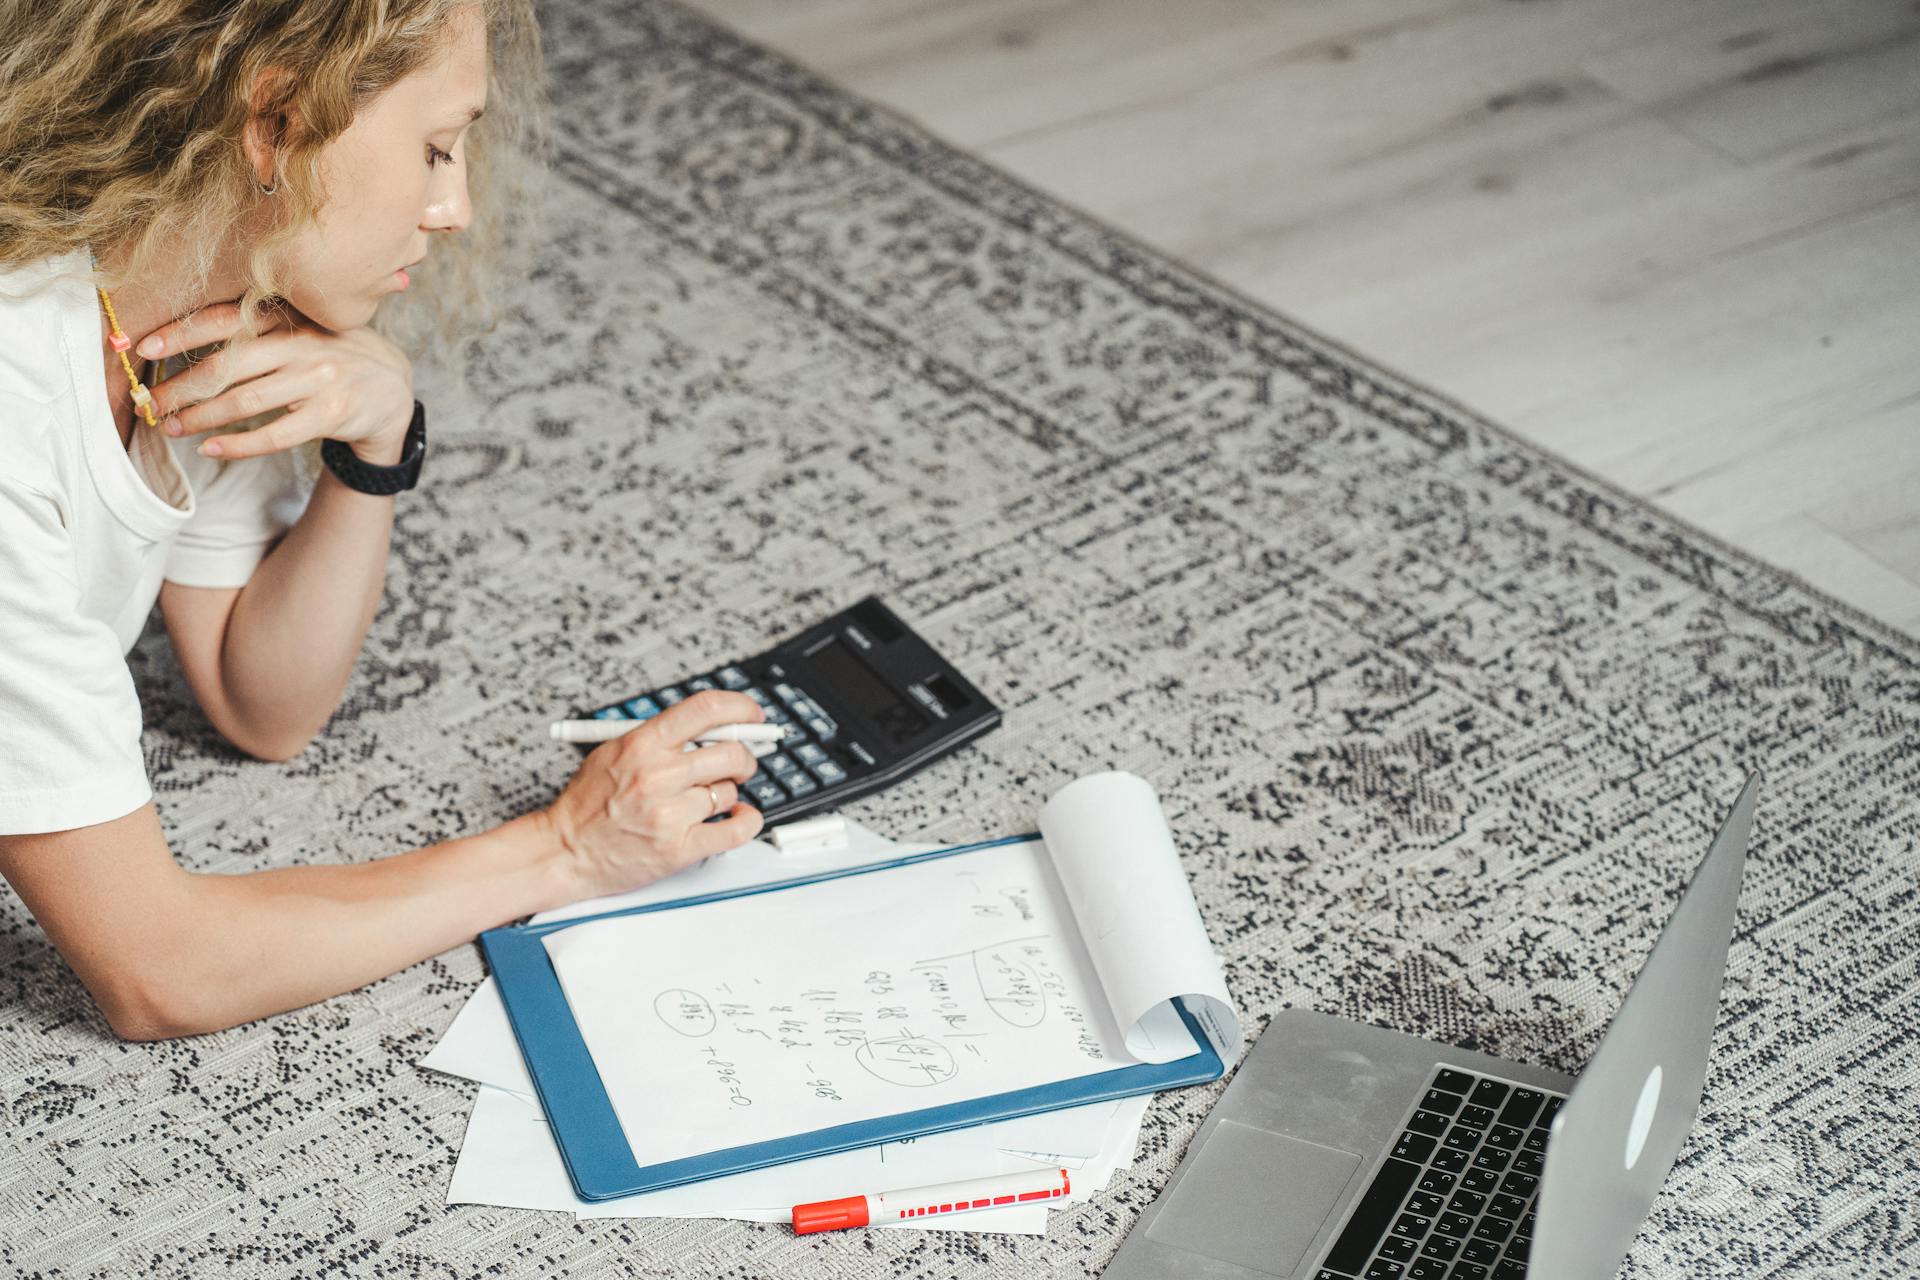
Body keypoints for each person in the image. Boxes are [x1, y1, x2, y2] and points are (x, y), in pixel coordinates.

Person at [0, 0, 765, 1042]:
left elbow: (258, 701)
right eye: (437, 148)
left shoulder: (182, 305)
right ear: (275, 122)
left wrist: (374, 448)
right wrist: (566, 847)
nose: (452, 206)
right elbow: (157, 967)